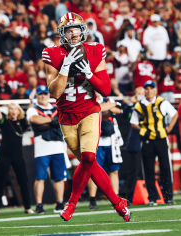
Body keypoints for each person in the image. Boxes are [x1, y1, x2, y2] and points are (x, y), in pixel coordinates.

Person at [43, 12, 131, 222]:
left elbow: (107, 89)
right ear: (62, 33)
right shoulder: (52, 53)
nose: (73, 33)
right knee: (88, 163)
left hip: (90, 111)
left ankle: (71, 203)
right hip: (66, 117)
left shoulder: (94, 50)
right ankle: (119, 203)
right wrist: (64, 68)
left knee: (89, 158)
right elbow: (55, 92)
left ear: (83, 30)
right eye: (69, 30)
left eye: (76, 29)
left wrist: (90, 74)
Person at [130, 81, 178, 205]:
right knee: (148, 169)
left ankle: (168, 197)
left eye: (151, 88)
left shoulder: (162, 102)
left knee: (165, 168)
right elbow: (133, 122)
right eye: (147, 88)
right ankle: (152, 198)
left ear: (155, 90)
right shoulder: (140, 105)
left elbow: (175, 114)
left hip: (161, 139)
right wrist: (143, 131)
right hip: (147, 140)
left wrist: (169, 128)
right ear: (144, 91)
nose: (149, 90)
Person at [0, 88, 34, 216]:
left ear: (18, 111)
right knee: (0, 181)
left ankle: (27, 207)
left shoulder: (22, 124)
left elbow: (29, 114)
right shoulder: (5, 121)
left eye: (15, 109)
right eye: (11, 109)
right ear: (8, 111)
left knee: (23, 181)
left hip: (18, 156)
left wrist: (31, 99)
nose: (13, 111)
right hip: (3, 155)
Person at [27, 85, 69, 214]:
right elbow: (34, 119)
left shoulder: (56, 108)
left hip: (57, 146)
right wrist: (52, 121)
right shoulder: (33, 110)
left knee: (59, 178)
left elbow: (64, 120)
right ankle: (39, 204)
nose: (43, 96)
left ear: (48, 95)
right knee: (40, 177)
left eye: (45, 94)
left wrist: (46, 123)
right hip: (42, 148)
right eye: (40, 94)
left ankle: (60, 203)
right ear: (37, 96)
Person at [87, 92, 123, 210]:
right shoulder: (87, 99)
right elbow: (95, 110)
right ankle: (92, 199)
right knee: (94, 172)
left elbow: (118, 110)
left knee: (114, 170)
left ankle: (116, 199)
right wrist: (108, 107)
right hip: (95, 141)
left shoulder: (108, 99)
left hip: (111, 141)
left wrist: (104, 108)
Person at [122, 87, 145, 203]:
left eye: (143, 93)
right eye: (139, 94)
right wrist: (131, 103)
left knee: (147, 169)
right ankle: (129, 196)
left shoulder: (148, 105)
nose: (141, 95)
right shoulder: (133, 106)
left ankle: (150, 194)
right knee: (133, 171)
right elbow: (125, 115)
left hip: (147, 140)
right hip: (135, 141)